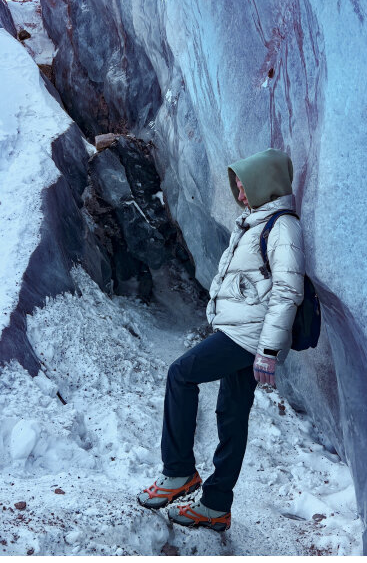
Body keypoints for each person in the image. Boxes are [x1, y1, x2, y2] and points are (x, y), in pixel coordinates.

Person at [136, 147, 304, 531]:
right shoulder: (254, 223)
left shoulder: (282, 227)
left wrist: (268, 350)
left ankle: (178, 471)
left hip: (247, 337)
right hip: (240, 332)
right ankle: (215, 506)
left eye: (244, 187)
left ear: (264, 183)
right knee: (232, 416)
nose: (240, 195)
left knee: (181, 374)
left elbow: (288, 291)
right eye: (238, 188)